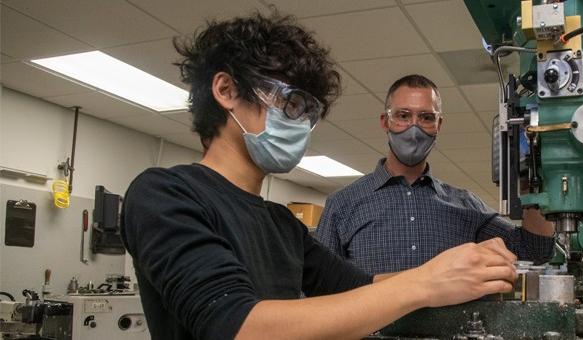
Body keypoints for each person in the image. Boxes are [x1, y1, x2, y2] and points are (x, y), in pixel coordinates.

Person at [120, 13, 518, 340]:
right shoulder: (164, 195)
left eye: (307, 113)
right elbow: (238, 325)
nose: (299, 124)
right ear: (226, 90)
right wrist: (426, 284)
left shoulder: (280, 224)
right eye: (289, 104)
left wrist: (460, 270)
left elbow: (362, 287)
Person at [316, 75, 554, 275]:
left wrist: (530, 172)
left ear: (438, 125)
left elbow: (534, 251)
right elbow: (316, 289)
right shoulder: (342, 205)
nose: (414, 127)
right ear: (385, 122)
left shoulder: (466, 207)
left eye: (426, 118)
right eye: (403, 115)